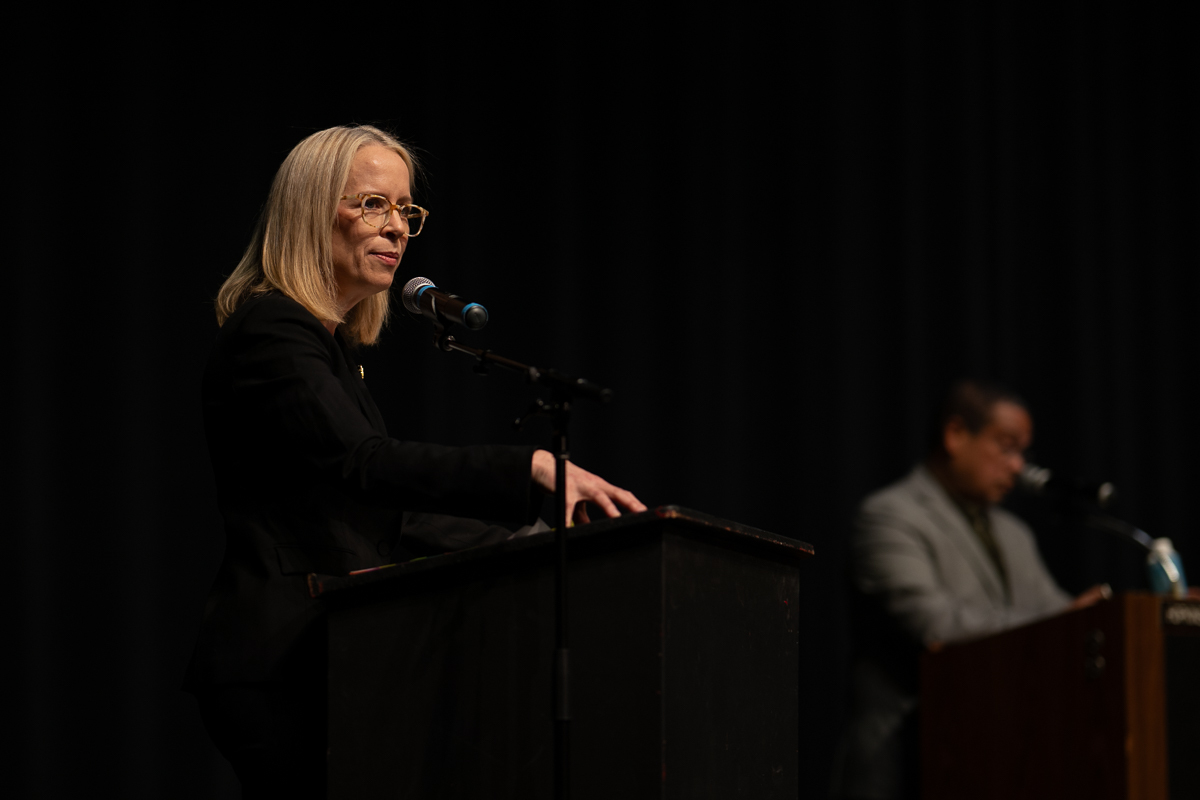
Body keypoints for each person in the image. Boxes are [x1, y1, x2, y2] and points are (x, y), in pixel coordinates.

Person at [185, 124, 645, 798]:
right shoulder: (272, 331)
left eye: (406, 210)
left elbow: (390, 518)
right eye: (371, 203)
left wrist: (532, 545)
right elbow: (365, 464)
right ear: (311, 212)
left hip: (328, 653)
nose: (396, 228)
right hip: (282, 660)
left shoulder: (330, 349)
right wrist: (530, 470)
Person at [833, 380, 1107, 800]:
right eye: (1006, 446)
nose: (1018, 467)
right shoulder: (889, 516)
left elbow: (1057, 614)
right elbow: (935, 625)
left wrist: (1110, 617)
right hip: (907, 763)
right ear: (955, 435)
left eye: (1023, 452)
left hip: (1003, 760)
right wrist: (1065, 619)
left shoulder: (1014, 534)